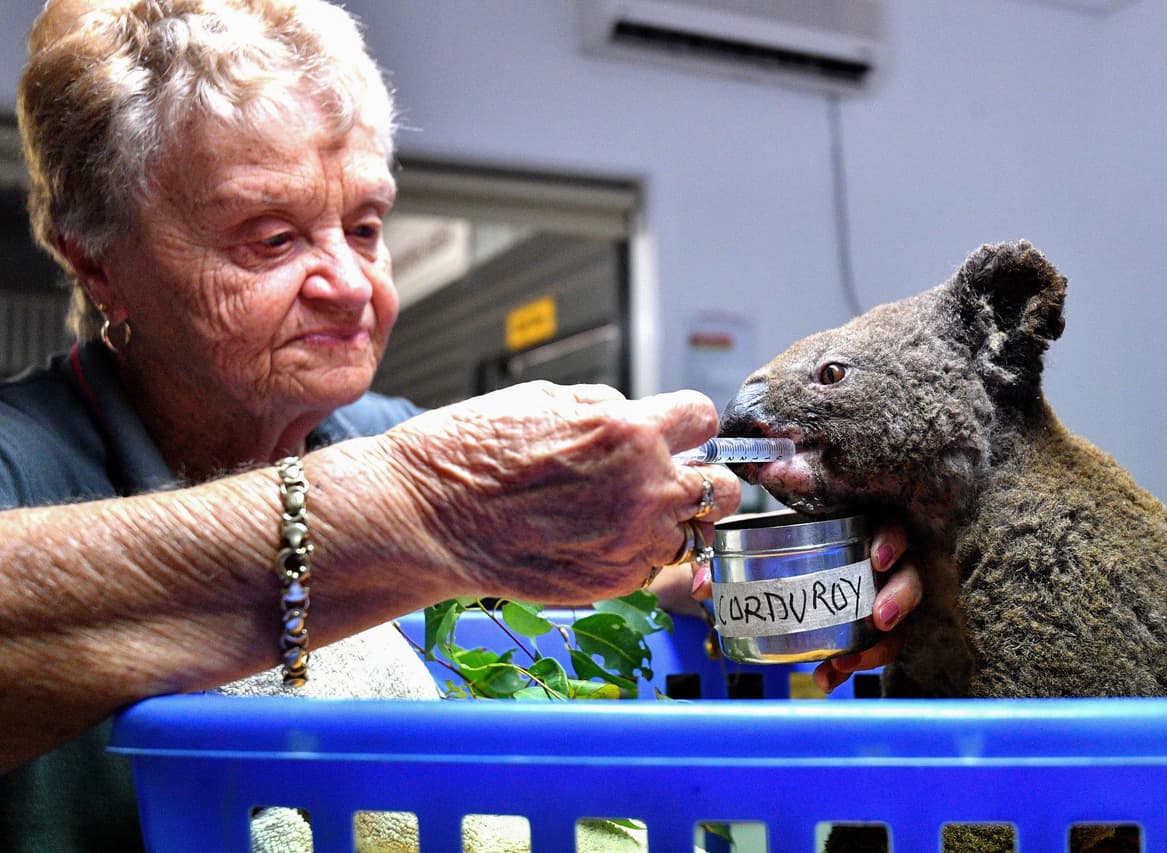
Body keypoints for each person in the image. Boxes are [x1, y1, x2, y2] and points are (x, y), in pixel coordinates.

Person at [0, 0, 922, 849]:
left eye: (364, 228)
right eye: (272, 239)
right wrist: (413, 510)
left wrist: (779, 568)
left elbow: (639, 573)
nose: (353, 285)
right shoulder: (23, 459)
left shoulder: (376, 426)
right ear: (98, 264)